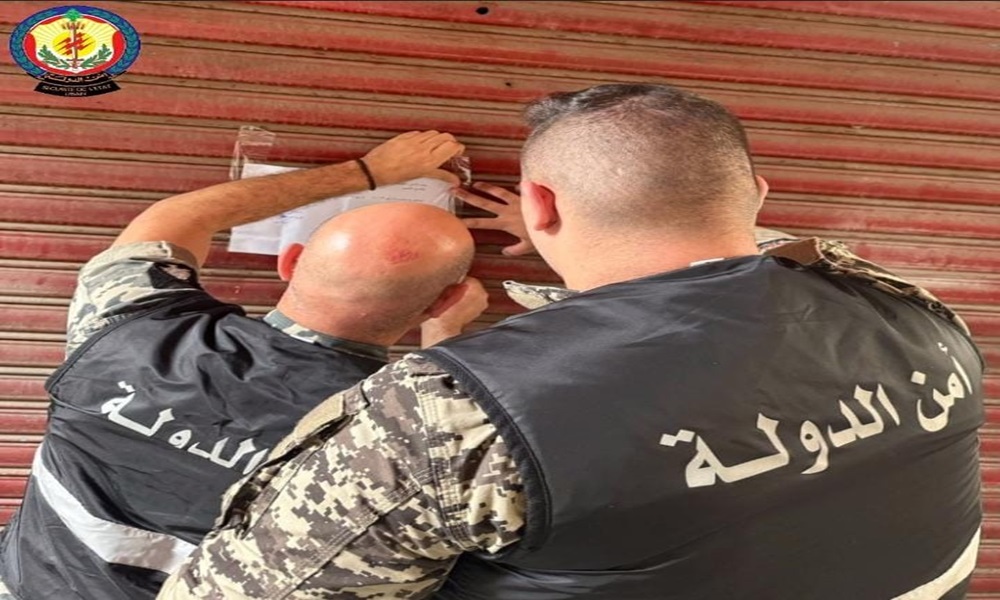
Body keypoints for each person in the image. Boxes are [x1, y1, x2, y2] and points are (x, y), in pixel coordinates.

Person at [160, 84, 985, 600]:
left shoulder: (448, 415)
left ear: (541, 205)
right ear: (759, 194)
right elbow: (747, 259)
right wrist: (578, 230)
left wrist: (568, 233)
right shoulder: (908, 308)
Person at [0, 130, 490, 600]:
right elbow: (439, 474)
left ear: (290, 261)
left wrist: (368, 171)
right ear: (442, 302)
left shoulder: (131, 323)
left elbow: (177, 217)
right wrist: (445, 334)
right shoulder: (393, 429)